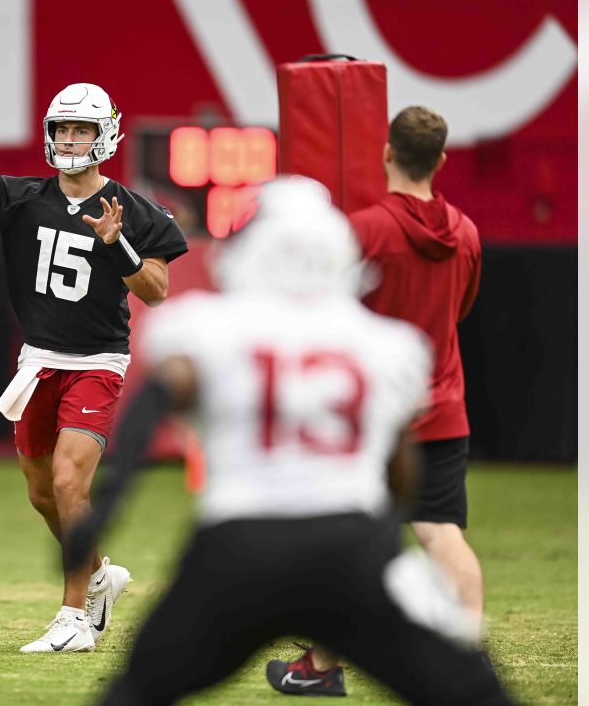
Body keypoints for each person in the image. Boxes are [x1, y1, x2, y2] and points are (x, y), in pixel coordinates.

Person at [65, 177, 513, 705]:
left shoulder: (207, 327)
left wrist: (111, 502)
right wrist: (382, 549)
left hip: (238, 546)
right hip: (350, 549)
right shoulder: (386, 345)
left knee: (136, 691)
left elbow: (163, 393)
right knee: (471, 692)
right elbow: (398, 465)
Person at [0, 82, 188, 652]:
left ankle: (74, 617)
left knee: (69, 480)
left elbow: (156, 290)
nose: (69, 138)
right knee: (42, 491)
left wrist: (118, 246)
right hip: (37, 362)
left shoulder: (134, 211)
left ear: (104, 134)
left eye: (81, 129)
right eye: (62, 128)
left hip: (98, 362)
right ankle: (100, 576)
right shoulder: (22, 197)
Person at [266, 106, 486, 694]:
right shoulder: (465, 231)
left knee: (343, 537)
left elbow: (328, 314)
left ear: (387, 153)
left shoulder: (362, 230)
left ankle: (320, 667)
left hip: (373, 414)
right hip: (442, 407)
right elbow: (461, 309)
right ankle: (471, 656)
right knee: (441, 530)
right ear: (440, 160)